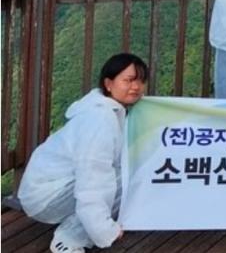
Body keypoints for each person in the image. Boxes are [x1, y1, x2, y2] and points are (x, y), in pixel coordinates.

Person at [18, 53, 148, 253]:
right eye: (129, 80)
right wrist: (105, 231)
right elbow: (92, 182)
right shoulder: (100, 120)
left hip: (48, 189)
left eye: (141, 80)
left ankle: (81, 225)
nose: (136, 87)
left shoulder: (108, 110)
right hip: (45, 196)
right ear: (108, 84)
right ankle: (69, 240)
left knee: (127, 172)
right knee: (130, 177)